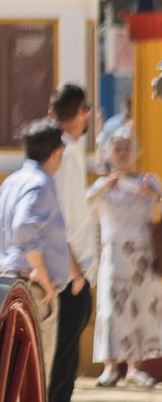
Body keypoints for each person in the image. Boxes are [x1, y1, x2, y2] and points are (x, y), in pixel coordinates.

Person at [0, 117, 74, 381]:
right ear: (56, 153)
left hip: (12, 284)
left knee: (12, 375)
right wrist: (39, 272)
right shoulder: (38, 184)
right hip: (35, 290)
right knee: (34, 378)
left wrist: (2, 267)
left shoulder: (13, 181)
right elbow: (25, 226)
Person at [87, 127, 162, 387]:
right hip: (113, 254)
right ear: (108, 152)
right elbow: (84, 211)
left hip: (143, 256)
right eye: (117, 148)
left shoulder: (149, 181)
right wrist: (102, 190)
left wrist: (153, 196)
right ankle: (110, 366)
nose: (122, 153)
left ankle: (134, 367)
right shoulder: (101, 185)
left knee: (140, 308)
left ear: (135, 151)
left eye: (127, 147)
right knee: (110, 309)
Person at [47, 84, 95, 402]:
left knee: (64, 369)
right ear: (84, 113)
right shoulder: (62, 157)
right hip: (67, 279)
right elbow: (56, 222)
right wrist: (76, 274)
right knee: (60, 374)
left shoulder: (67, 153)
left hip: (70, 276)